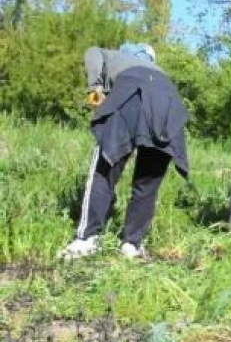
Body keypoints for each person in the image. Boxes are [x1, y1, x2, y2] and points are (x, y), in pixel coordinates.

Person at [59, 43, 189, 260]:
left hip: (132, 91)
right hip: (168, 102)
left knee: (104, 169)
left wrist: (95, 87)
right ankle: (131, 245)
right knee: (147, 183)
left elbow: (92, 51)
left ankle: (87, 239)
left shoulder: (115, 56)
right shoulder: (159, 72)